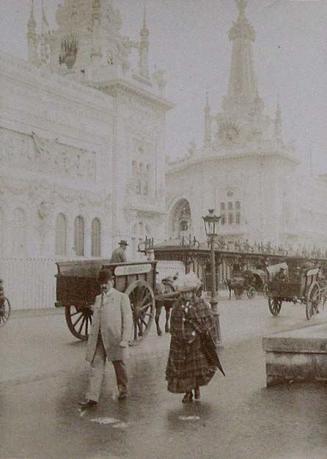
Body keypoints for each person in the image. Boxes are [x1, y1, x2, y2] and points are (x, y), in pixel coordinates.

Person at [79, 268, 132, 408]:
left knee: (119, 365)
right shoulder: (98, 299)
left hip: (115, 339)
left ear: (112, 282)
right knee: (96, 365)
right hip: (99, 339)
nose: (103, 286)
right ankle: (92, 397)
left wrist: (125, 339)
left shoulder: (121, 297)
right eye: (101, 283)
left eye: (106, 283)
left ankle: (123, 388)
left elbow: (128, 320)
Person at [166, 287, 222, 403]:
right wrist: (178, 335)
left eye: (188, 292)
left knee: (196, 369)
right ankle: (188, 392)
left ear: (192, 292)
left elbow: (208, 319)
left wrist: (199, 331)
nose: (186, 295)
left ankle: (196, 388)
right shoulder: (177, 305)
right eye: (184, 292)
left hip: (196, 340)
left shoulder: (200, 304)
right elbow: (173, 322)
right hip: (181, 342)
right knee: (185, 370)